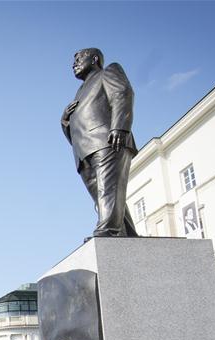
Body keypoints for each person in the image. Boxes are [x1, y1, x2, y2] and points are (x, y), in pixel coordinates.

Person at [61, 47, 138, 238]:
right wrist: (64, 119)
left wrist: (119, 127)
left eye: (79, 58)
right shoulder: (80, 91)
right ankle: (126, 233)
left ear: (94, 59)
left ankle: (108, 230)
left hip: (107, 141)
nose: (74, 63)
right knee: (103, 196)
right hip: (84, 151)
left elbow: (122, 93)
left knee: (108, 190)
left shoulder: (108, 71)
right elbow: (75, 128)